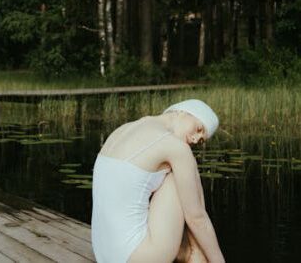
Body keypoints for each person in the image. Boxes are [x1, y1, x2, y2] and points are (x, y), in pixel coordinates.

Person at [91, 99, 225, 263]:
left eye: (201, 140)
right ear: (183, 112)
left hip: (104, 255)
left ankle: (189, 253)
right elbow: (197, 219)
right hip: (137, 257)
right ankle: (195, 255)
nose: (196, 139)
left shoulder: (123, 130)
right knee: (182, 174)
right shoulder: (176, 147)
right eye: (199, 129)